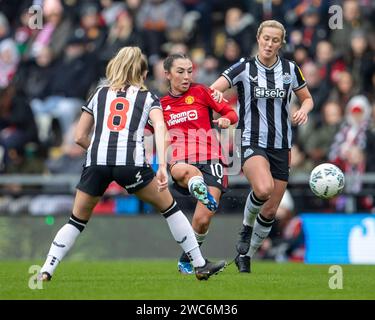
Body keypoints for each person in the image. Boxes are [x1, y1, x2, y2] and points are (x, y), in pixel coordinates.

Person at [38, 47, 226, 282]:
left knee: (76, 220)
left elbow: (78, 137)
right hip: (131, 162)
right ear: (143, 72)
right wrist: (160, 168)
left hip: (97, 161)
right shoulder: (147, 97)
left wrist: (99, 150)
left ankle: (47, 268)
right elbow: (161, 129)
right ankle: (199, 265)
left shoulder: (99, 93)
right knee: (170, 210)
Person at [211, 20, 314, 273]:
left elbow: (308, 98)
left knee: (269, 211)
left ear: (281, 43)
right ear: (258, 38)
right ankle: (246, 226)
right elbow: (213, 91)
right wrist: (222, 108)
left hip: (281, 145)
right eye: (266, 38)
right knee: (264, 188)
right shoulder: (244, 68)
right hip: (251, 140)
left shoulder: (290, 69)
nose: (269, 44)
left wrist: (304, 109)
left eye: (275, 40)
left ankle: (246, 257)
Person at [160, 53, 238, 274]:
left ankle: (187, 259)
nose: (186, 77)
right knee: (183, 170)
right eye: (180, 72)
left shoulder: (202, 92)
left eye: (189, 71)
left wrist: (225, 119)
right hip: (181, 158)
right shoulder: (161, 105)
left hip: (211, 157)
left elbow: (232, 113)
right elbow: (152, 133)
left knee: (202, 220)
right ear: (167, 74)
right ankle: (195, 183)